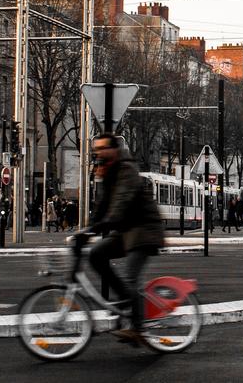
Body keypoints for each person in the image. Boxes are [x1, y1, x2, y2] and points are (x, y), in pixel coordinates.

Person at [84, 133, 163, 346]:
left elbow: (121, 202)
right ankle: (125, 299)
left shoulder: (126, 169)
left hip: (144, 229)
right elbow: (102, 204)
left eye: (101, 148)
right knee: (96, 254)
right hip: (127, 230)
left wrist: (98, 227)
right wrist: (88, 228)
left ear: (114, 150)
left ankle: (137, 328)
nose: (97, 152)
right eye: (96, 149)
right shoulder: (107, 171)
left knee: (130, 278)